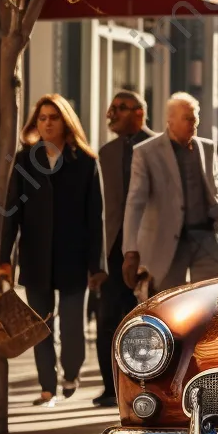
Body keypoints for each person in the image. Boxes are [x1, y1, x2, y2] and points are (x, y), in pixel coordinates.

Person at [0, 95, 107, 408]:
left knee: (72, 330)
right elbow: (11, 212)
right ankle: (47, 388)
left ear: (65, 122)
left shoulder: (85, 161)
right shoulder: (24, 160)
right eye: (42, 117)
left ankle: (71, 371)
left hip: (74, 257)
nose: (46, 123)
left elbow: (95, 216)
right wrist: (4, 258)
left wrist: (96, 264)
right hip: (36, 257)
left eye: (53, 118)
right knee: (39, 326)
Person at [122, 92, 218, 295]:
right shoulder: (146, 152)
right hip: (167, 242)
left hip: (206, 239)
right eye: (188, 118)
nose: (194, 123)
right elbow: (135, 202)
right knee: (170, 302)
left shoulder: (207, 148)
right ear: (170, 120)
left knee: (208, 301)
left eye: (196, 118)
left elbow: (216, 191)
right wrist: (131, 251)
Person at [94, 90, 156, 407]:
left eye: (121, 108)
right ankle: (109, 387)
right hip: (114, 247)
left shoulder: (159, 147)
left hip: (149, 246)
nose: (112, 113)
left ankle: (148, 385)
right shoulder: (104, 153)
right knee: (107, 318)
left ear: (139, 113)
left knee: (147, 319)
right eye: (112, 108)